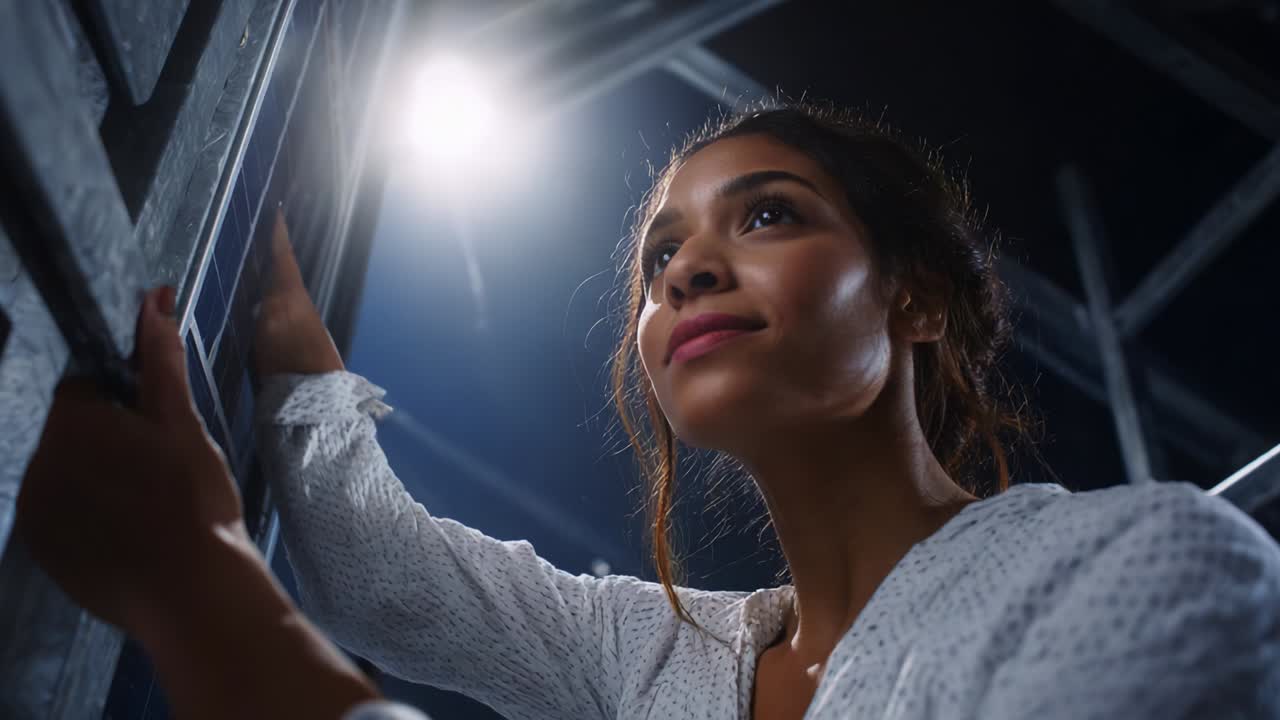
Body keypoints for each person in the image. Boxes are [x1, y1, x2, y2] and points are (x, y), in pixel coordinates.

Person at [16, 104, 1280, 720]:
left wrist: (201, 599)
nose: (684, 269)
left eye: (768, 214)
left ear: (916, 301)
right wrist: (282, 322)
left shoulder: (1159, 562)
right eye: (659, 255)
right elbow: (381, 576)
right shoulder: (667, 655)